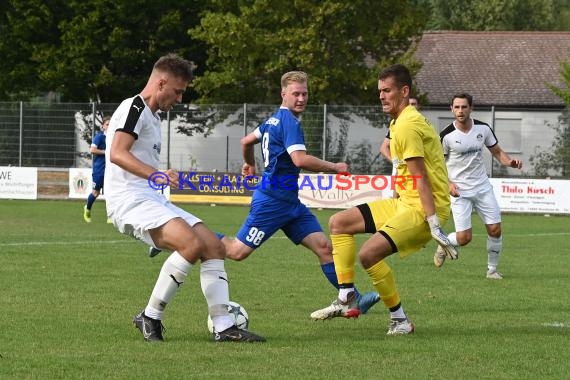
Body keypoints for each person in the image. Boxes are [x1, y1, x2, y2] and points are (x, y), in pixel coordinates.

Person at [104, 53, 265, 343]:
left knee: (214, 246)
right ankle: (150, 317)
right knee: (190, 244)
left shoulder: (151, 116)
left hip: (150, 199)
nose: (178, 99)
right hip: (128, 200)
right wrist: (156, 175)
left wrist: (157, 177)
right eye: (177, 91)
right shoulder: (135, 107)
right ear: (161, 82)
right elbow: (117, 153)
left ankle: (224, 326)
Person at [211, 71, 379, 314]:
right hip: (271, 202)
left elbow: (246, 141)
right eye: (296, 94)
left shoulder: (272, 121)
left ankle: (349, 297)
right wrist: (335, 167)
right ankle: (186, 234)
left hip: (290, 203)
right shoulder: (289, 122)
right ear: (284, 94)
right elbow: (299, 160)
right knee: (237, 252)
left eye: (305, 93)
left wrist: (249, 164)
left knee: (323, 246)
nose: (301, 98)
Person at [310, 64, 457, 335]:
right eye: (379, 91)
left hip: (422, 209)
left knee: (368, 254)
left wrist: (434, 224)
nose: (381, 96)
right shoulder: (400, 121)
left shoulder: (407, 126)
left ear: (404, 91)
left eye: (387, 90)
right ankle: (346, 296)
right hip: (404, 202)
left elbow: (420, 177)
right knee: (339, 222)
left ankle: (400, 320)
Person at [433, 93, 523, 279]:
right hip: (460, 192)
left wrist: (509, 162)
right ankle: (444, 243)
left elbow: (497, 151)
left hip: (482, 187)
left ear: (471, 108)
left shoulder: (483, 129)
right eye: (456, 107)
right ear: (451, 109)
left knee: (495, 229)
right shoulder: (446, 136)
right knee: (464, 238)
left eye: (464, 107)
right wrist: (448, 183)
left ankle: (492, 270)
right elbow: (437, 166)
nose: (460, 111)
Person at [83, 116, 112, 224]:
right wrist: (106, 152)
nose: (109, 126)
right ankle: (88, 209)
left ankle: (110, 216)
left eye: (111, 124)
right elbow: (92, 149)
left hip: (111, 170)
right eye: (107, 124)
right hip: (99, 170)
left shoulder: (114, 138)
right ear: (103, 126)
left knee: (110, 193)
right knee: (95, 193)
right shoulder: (99, 137)